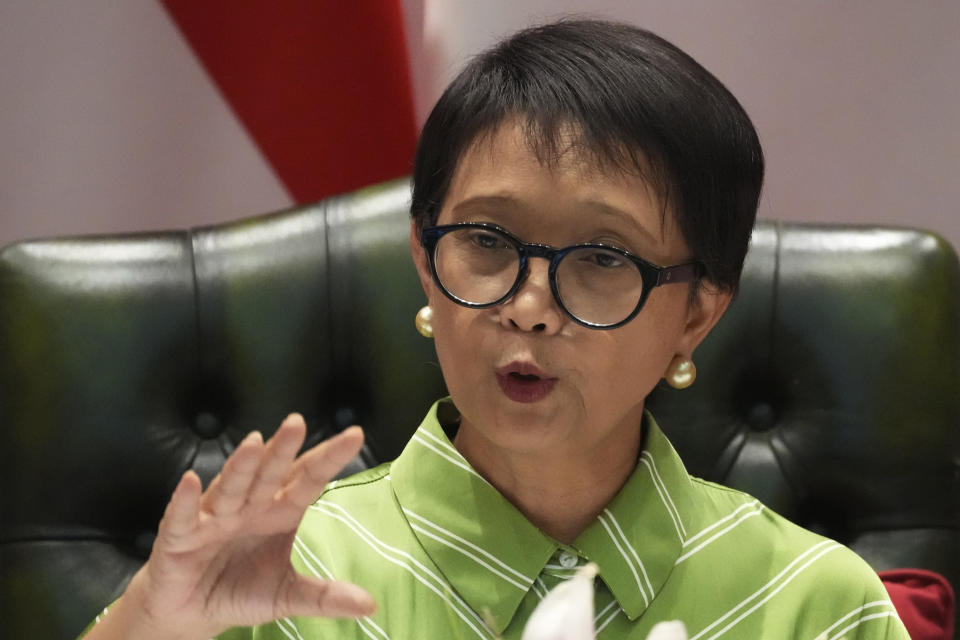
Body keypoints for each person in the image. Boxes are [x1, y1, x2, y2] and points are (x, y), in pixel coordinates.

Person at [82, 19, 909, 639]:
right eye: (486, 242)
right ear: (422, 259)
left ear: (696, 312)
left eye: (601, 255)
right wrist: (155, 619)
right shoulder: (280, 572)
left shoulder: (816, 603)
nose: (530, 305)